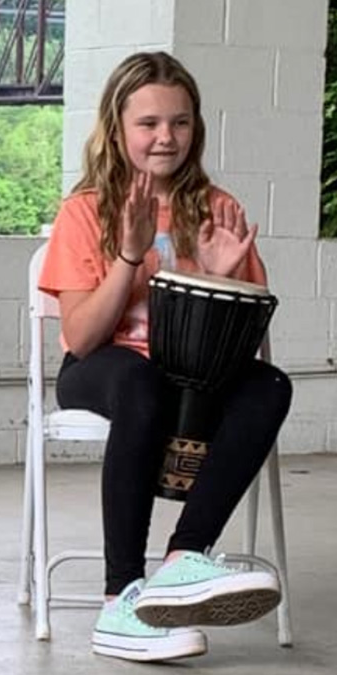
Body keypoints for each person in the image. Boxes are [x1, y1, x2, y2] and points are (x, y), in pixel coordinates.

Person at [38, 51, 292, 663]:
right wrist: (127, 258)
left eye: (179, 122)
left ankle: (183, 562)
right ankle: (118, 597)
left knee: (269, 385)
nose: (165, 137)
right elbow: (80, 338)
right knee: (140, 378)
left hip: (196, 370)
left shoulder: (215, 207)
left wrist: (218, 279)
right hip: (107, 372)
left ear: (194, 128)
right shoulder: (86, 211)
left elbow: (245, 345)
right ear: (118, 127)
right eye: (148, 123)